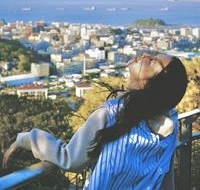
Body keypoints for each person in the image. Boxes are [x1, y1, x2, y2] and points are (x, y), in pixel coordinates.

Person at [2, 53, 188, 190]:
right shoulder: (169, 125)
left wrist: (26, 139)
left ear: (150, 84)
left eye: (154, 60)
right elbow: (166, 182)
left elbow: (70, 159)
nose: (146, 55)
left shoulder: (110, 114)